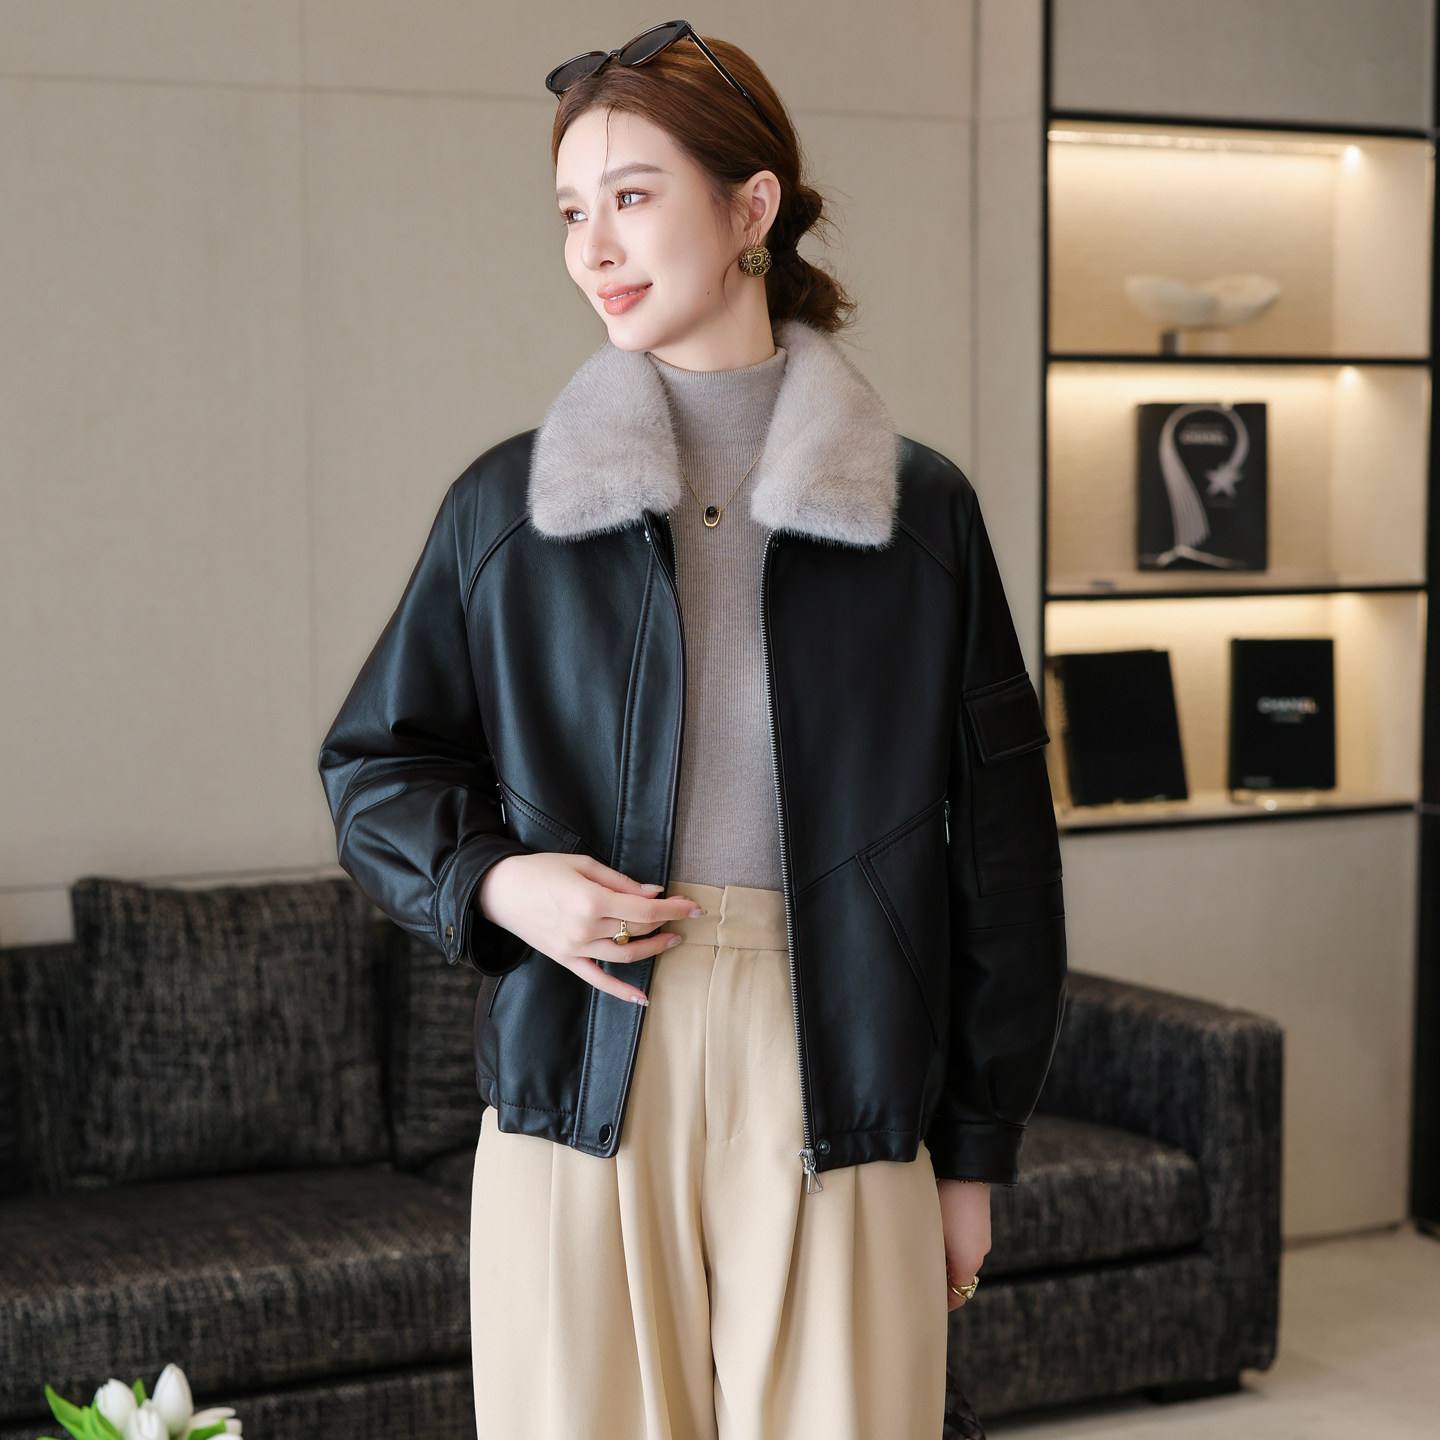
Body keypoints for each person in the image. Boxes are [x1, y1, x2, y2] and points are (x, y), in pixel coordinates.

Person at [317, 21, 1067, 1440]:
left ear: (750, 207)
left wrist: (974, 1154)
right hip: (585, 1053)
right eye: (569, 210)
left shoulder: (919, 514)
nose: (591, 245)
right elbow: (374, 767)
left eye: (632, 194)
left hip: (841, 1059)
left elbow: (1004, 855)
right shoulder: (509, 508)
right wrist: (500, 883)